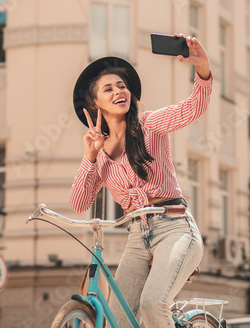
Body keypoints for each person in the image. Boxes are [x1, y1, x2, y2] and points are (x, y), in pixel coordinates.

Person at [69, 34, 212, 327]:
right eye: (108, 89)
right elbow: (78, 202)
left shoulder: (150, 125)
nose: (119, 91)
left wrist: (202, 69)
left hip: (175, 229)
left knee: (152, 304)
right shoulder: (101, 154)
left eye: (122, 86)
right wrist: (90, 157)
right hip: (136, 240)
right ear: (96, 104)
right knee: (116, 321)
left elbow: (192, 108)